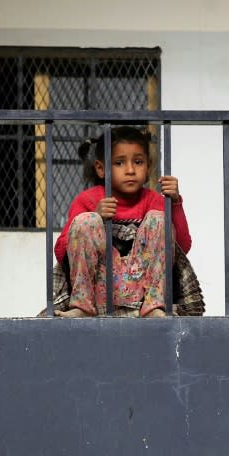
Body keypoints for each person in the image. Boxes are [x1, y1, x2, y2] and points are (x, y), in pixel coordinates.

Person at [53, 126, 193, 318]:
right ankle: (82, 307)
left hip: (142, 290)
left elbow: (181, 247)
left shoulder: (154, 201)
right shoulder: (87, 200)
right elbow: (61, 251)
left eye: (138, 162)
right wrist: (96, 217)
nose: (130, 170)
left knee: (159, 219)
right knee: (86, 221)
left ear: (148, 166)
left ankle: (153, 307)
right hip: (98, 289)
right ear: (101, 169)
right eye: (119, 163)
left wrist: (175, 202)